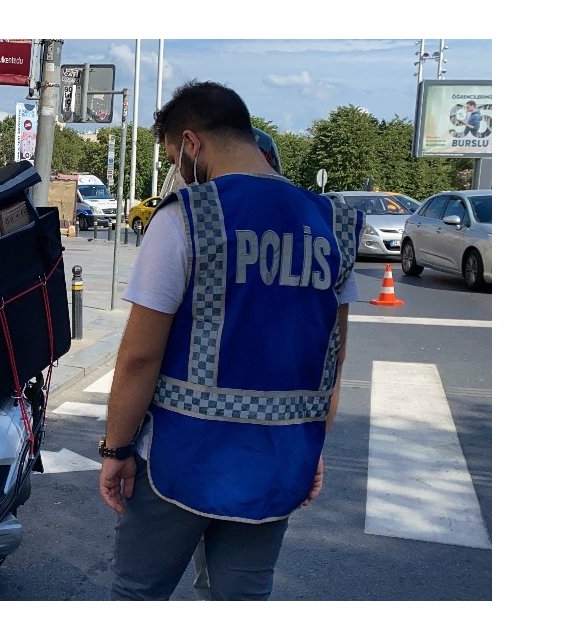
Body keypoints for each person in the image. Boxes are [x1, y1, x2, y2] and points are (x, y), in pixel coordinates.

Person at [98, 81, 364, 601]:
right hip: (279, 460)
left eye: (175, 155)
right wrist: (312, 445)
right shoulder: (332, 224)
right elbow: (331, 356)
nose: (177, 169)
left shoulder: (188, 218)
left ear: (193, 143)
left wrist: (116, 448)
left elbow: (138, 357)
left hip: (181, 460)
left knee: (137, 595)